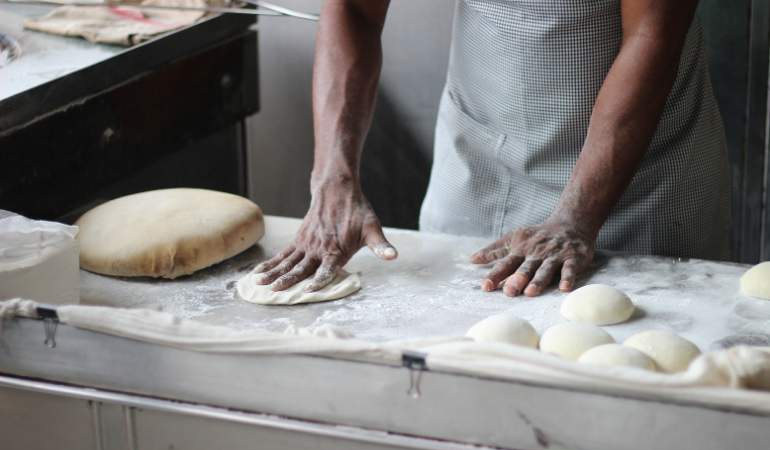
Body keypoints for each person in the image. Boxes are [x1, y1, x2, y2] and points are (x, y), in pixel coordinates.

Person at [252, 0, 731, 298]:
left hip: (637, 180)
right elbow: (354, 8)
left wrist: (577, 216)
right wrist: (332, 176)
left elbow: (653, 34)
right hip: (479, 157)